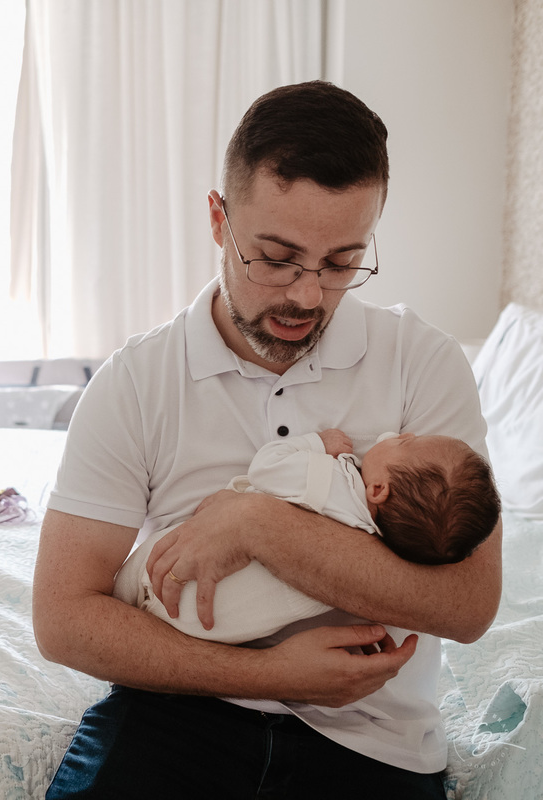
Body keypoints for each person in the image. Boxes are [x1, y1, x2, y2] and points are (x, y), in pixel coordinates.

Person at [32, 80, 502, 799]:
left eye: (342, 262)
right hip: (175, 715)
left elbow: (468, 605)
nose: (307, 295)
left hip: (379, 747)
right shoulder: (136, 381)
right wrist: (270, 675)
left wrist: (257, 522)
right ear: (218, 221)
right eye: (276, 257)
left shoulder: (424, 362)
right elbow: (64, 619)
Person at [116, 429, 501, 644]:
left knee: (134, 577)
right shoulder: (375, 547)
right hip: (219, 629)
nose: (402, 433)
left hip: (180, 572)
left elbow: (267, 467)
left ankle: (124, 597)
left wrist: (316, 444)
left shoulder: (328, 482)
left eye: (405, 443)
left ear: (379, 490)